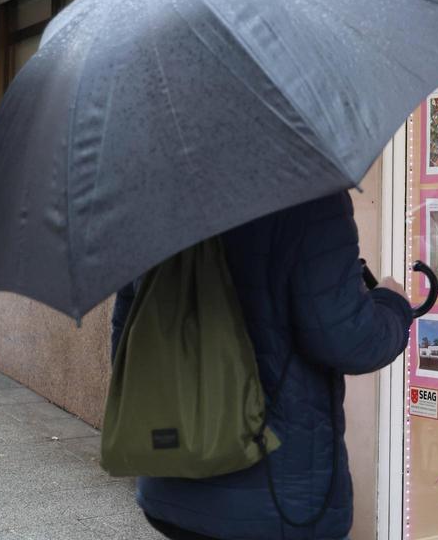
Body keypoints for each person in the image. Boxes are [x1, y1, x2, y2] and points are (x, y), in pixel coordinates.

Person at [110, 191, 414, 540]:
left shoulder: (154, 199)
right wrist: (394, 306)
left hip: (173, 482)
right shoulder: (308, 195)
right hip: (279, 500)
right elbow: (347, 339)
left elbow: (129, 336)